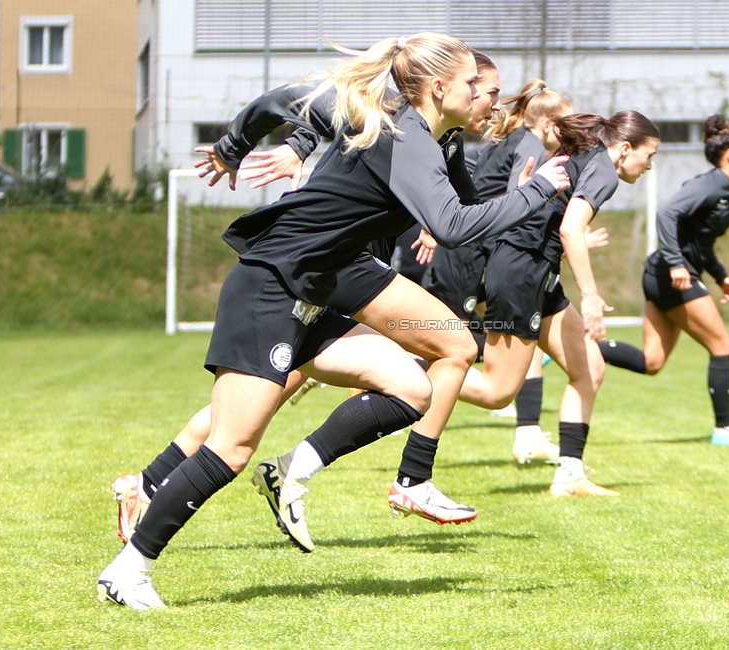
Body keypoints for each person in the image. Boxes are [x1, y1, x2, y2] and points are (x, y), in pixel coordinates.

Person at [97, 32, 570, 610]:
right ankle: (129, 568)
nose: (485, 95)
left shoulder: (422, 133)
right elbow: (451, 225)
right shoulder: (401, 133)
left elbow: (279, 101)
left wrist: (232, 145)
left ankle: (320, 469)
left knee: (418, 378)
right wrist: (540, 190)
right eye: (476, 83)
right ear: (440, 87)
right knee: (231, 448)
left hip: (329, 283)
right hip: (273, 286)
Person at [455, 110, 661, 496]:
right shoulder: (603, 168)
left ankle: (569, 475)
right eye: (648, 156)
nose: (649, 166)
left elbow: (545, 213)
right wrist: (591, 296)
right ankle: (407, 372)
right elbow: (570, 229)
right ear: (626, 148)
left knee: (590, 368)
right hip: (521, 273)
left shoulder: (582, 155)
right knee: (497, 392)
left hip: (535, 272)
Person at [424, 79, 575, 465]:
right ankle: (381, 365)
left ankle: (527, 433)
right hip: (474, 254)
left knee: (518, 338)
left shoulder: (508, 140)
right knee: (440, 340)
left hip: (484, 250)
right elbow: (516, 199)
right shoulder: (527, 143)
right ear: (548, 124)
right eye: (567, 124)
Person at [596, 115, 729, 447]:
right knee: (722, 346)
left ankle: (575, 346)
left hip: (662, 274)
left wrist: (721, 277)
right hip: (672, 277)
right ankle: (725, 430)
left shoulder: (720, 189)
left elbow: (700, 245)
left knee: (651, 362)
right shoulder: (710, 185)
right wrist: (676, 264)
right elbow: (666, 213)